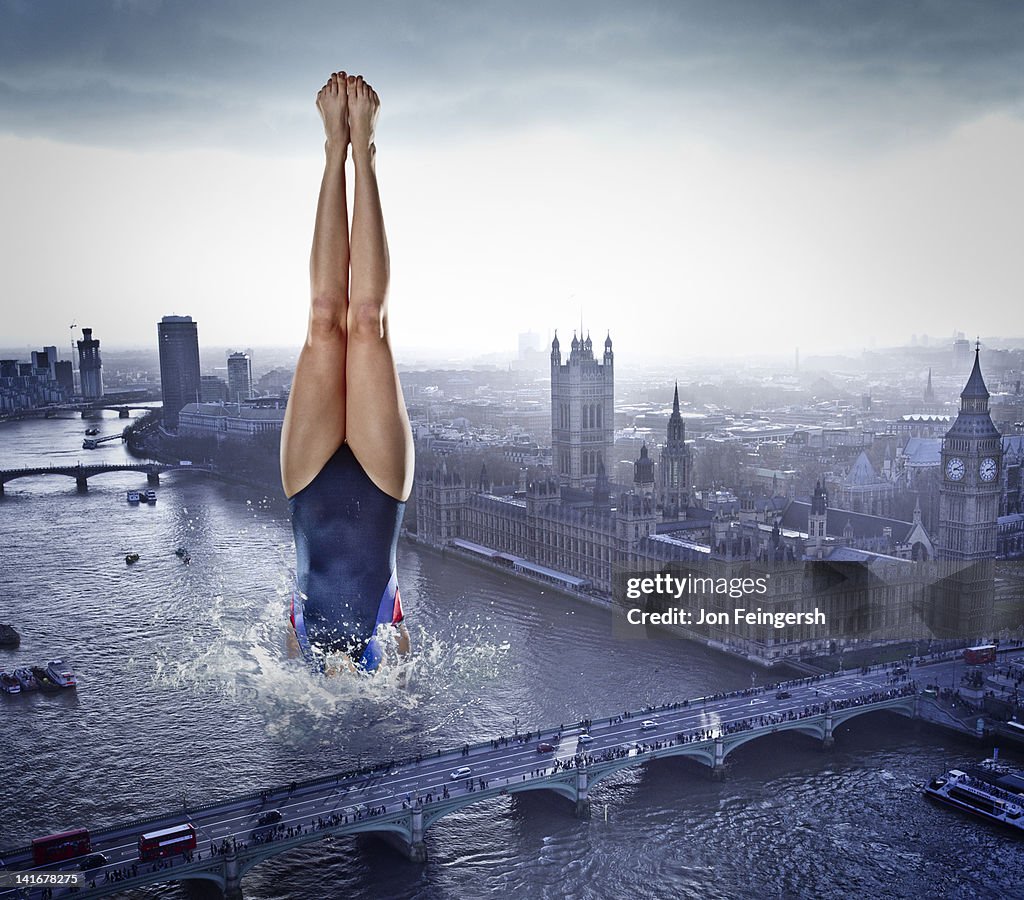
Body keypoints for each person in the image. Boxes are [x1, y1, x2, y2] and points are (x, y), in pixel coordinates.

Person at [281, 72, 414, 673]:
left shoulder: (295, 655)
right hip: (381, 492)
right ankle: (365, 151)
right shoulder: (388, 652)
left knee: (323, 321)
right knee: (367, 325)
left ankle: (334, 148)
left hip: (308, 489)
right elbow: (407, 660)